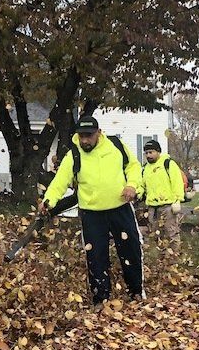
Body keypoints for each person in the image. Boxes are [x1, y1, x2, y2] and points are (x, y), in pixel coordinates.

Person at [39, 115, 144, 305]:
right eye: (82, 136)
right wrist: (48, 201)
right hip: (92, 215)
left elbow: (133, 166)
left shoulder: (116, 146)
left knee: (131, 251)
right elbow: (59, 183)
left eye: (89, 135)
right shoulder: (74, 155)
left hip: (120, 209)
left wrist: (132, 185)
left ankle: (136, 293)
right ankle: (101, 300)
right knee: (96, 257)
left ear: (99, 133)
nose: (85, 140)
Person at [138, 140, 185, 245]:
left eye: (151, 152)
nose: (148, 155)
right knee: (154, 234)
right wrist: (138, 194)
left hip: (168, 207)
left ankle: (175, 253)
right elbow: (142, 185)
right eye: (146, 153)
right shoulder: (145, 168)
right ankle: (158, 254)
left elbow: (177, 182)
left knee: (171, 233)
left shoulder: (168, 164)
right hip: (152, 208)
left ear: (158, 152)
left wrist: (177, 200)